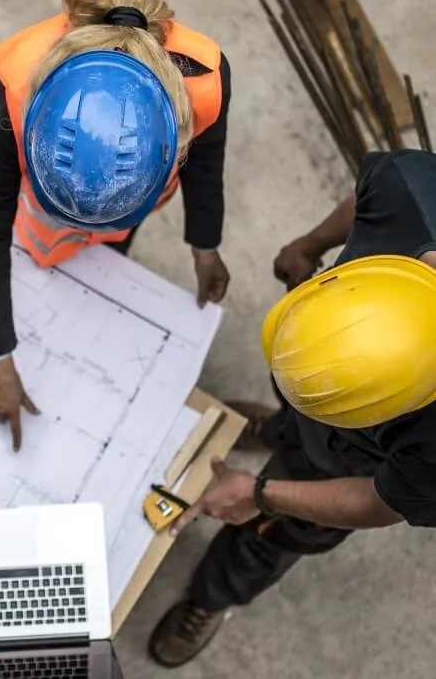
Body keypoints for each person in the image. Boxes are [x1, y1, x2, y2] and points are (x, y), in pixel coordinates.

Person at [147, 149, 436, 668]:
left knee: (272, 536)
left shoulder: (431, 447)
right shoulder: (412, 192)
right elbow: (366, 197)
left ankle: (211, 596)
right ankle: (278, 427)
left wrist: (261, 494)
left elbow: (381, 501)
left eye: (334, 404)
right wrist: (311, 244)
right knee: (297, 415)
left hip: (356, 466)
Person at [0, 0, 232, 450]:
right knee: (42, 251)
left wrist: (205, 245)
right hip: (41, 221)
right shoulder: (11, 97)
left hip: (127, 206)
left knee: (104, 260)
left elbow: (206, 164)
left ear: (173, 143)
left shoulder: (204, 78)